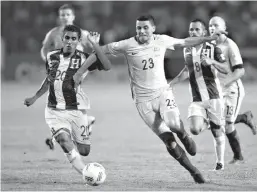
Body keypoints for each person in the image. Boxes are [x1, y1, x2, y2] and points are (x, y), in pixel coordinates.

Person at [74, 15, 225, 183]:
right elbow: (100, 51)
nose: (141, 31)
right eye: (138, 28)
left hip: (162, 94)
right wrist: (81, 71)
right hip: (143, 102)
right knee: (169, 142)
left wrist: (210, 38)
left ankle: (184, 134)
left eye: (145, 27)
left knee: (175, 126)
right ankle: (194, 172)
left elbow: (186, 42)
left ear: (153, 28)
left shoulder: (162, 40)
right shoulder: (127, 44)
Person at [24, 25, 111, 178]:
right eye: (67, 38)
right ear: (62, 39)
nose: (70, 41)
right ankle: (86, 173)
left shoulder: (84, 58)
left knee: (84, 151)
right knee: (64, 140)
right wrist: (35, 97)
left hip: (76, 110)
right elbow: (50, 80)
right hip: (54, 110)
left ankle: (81, 126)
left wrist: (94, 44)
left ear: (78, 41)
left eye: (73, 39)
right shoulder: (51, 56)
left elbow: (107, 66)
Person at [169, 19, 229, 171]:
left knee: (217, 132)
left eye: (197, 30)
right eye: (191, 30)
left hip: (213, 97)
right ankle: (208, 123)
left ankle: (220, 162)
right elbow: (187, 71)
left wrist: (212, 62)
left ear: (203, 33)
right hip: (196, 99)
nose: (193, 32)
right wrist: (172, 84)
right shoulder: (187, 49)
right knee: (194, 130)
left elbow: (226, 69)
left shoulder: (213, 48)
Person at [40, 4, 98, 150]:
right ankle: (85, 123)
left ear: (73, 17)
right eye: (62, 15)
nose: (65, 17)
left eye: (67, 14)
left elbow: (94, 47)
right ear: (59, 17)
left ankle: (59, 136)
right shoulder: (53, 33)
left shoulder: (81, 33)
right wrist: (48, 62)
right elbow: (45, 48)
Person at [209, 16, 256, 164]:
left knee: (227, 125)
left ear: (223, 28)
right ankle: (243, 118)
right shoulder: (209, 45)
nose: (212, 28)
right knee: (219, 122)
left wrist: (225, 84)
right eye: (210, 25)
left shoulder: (230, 45)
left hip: (232, 90)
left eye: (215, 25)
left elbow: (240, 71)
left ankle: (238, 156)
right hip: (217, 89)